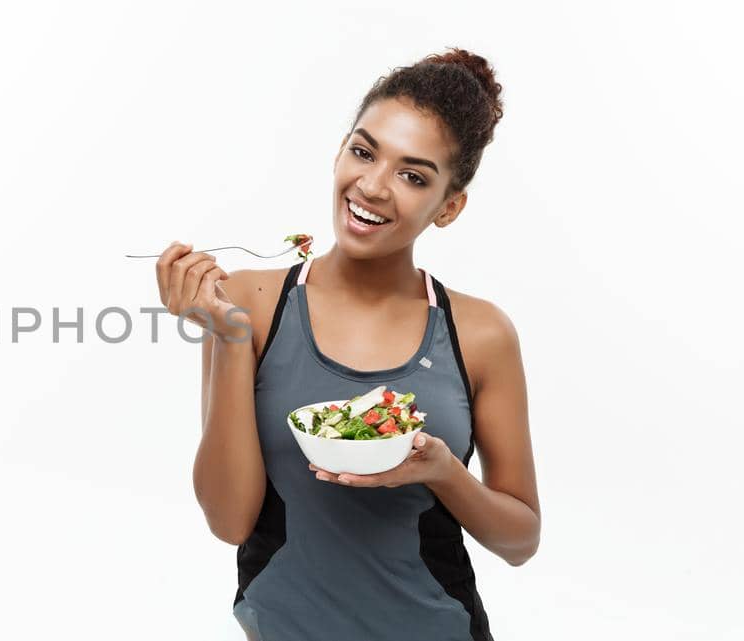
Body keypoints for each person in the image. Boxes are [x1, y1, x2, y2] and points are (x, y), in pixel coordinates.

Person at [153, 48, 539, 640]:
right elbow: (229, 521)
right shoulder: (247, 304)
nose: (374, 187)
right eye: (364, 152)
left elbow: (520, 541)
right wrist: (230, 340)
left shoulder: (481, 333)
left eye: (414, 176)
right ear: (340, 151)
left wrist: (442, 472)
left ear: (450, 207)